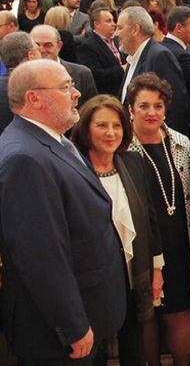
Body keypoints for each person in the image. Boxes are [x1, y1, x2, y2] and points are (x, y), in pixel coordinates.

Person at [0, 59, 126, 364]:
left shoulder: (49, 140)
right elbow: (42, 254)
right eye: (65, 87)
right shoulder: (24, 158)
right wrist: (72, 325)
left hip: (88, 309)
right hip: (60, 333)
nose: (76, 94)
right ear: (34, 98)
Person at [70, 95, 164, 366]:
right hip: (92, 279)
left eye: (117, 125)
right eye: (101, 125)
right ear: (86, 128)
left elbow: (150, 218)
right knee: (94, 349)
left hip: (135, 272)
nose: (111, 133)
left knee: (134, 342)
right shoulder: (73, 168)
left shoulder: (133, 162)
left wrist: (157, 267)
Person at [126, 73, 190, 366]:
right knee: (146, 315)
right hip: (141, 247)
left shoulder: (181, 142)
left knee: (179, 311)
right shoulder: (121, 146)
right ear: (130, 107)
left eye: (158, 105)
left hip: (180, 242)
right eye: (143, 105)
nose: (152, 112)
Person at [117, 6, 190, 135]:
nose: (116, 34)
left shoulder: (160, 56)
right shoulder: (133, 58)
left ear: (135, 29)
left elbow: (175, 107)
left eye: (120, 28)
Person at [30, 24, 98, 107]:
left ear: (59, 46)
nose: (42, 50)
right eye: (37, 45)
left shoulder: (82, 74)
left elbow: (92, 110)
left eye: (48, 45)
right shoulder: (22, 78)